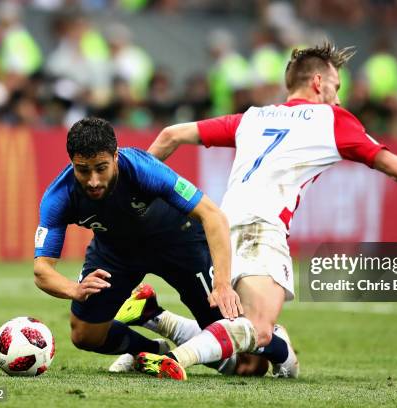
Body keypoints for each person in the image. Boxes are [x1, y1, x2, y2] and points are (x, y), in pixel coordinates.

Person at [135, 42, 397, 380]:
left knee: (249, 354)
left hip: (221, 228)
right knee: (261, 329)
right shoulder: (331, 119)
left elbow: (170, 135)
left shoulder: (254, 117)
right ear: (318, 82)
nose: (337, 97)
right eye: (335, 87)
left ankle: (154, 317)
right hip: (263, 228)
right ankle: (175, 360)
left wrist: (134, 195)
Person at [33, 117, 243, 380]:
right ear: (72, 163)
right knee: (85, 334)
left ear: (116, 157)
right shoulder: (59, 197)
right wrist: (74, 289)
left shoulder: (144, 169)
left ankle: (154, 316)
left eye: (101, 168)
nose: (94, 180)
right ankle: (150, 350)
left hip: (179, 242)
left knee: (245, 361)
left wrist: (222, 284)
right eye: (83, 170)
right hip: (116, 251)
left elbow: (213, 216)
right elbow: (42, 270)